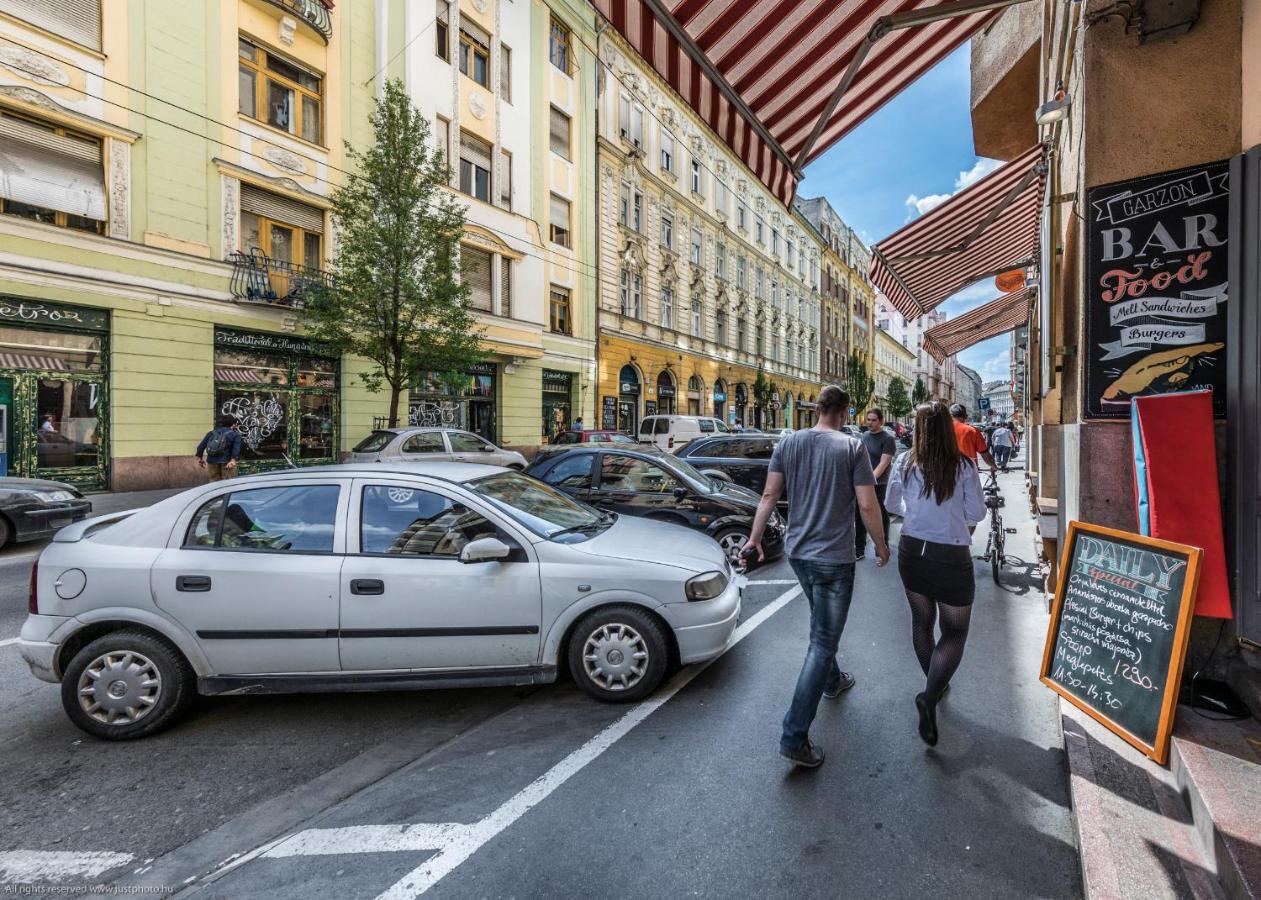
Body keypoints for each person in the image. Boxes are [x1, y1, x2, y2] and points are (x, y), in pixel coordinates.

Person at [743, 385, 890, 769]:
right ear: (843, 413)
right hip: (833, 559)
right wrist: (881, 544)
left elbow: (768, 498)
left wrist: (755, 539)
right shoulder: (851, 447)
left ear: (817, 410)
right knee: (822, 641)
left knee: (821, 625)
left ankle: (832, 680)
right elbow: (866, 502)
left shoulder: (788, 443)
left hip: (798, 554)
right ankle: (794, 736)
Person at [886, 401, 986, 747]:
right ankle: (930, 693)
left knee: (921, 622)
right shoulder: (962, 466)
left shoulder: (905, 461)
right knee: (955, 631)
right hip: (950, 554)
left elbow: (890, 505)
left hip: (912, 550)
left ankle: (934, 685)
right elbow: (977, 512)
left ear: (917, 430)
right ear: (947, 429)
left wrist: (914, 512)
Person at [855, 408, 896, 560]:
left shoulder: (888, 439)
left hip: (880, 483)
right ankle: (859, 549)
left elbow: (884, 463)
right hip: (863, 482)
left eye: (873, 420)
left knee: (880, 514)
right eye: (869, 420)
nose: (870, 423)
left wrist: (870, 480)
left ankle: (882, 545)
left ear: (881, 421)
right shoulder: (864, 436)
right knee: (859, 514)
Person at [196, 415, 243, 482]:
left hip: (212, 462)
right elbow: (236, 449)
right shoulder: (235, 434)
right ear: (233, 424)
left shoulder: (211, 433)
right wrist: (233, 460)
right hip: (227, 463)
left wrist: (200, 458)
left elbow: (200, 447)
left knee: (214, 484)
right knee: (228, 484)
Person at [950, 404, 995, 472]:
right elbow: (985, 454)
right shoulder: (973, 431)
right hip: (969, 471)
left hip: (948, 471)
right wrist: (993, 465)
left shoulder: (943, 430)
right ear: (966, 416)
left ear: (950, 416)